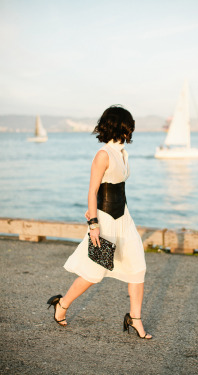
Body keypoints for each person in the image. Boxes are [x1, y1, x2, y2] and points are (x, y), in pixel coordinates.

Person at [47, 105, 152, 340]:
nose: (132, 128)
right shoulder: (103, 154)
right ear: (120, 126)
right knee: (94, 272)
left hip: (124, 217)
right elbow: (93, 190)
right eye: (129, 124)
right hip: (103, 220)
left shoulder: (123, 152)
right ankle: (62, 304)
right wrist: (93, 223)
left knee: (138, 268)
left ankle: (135, 319)